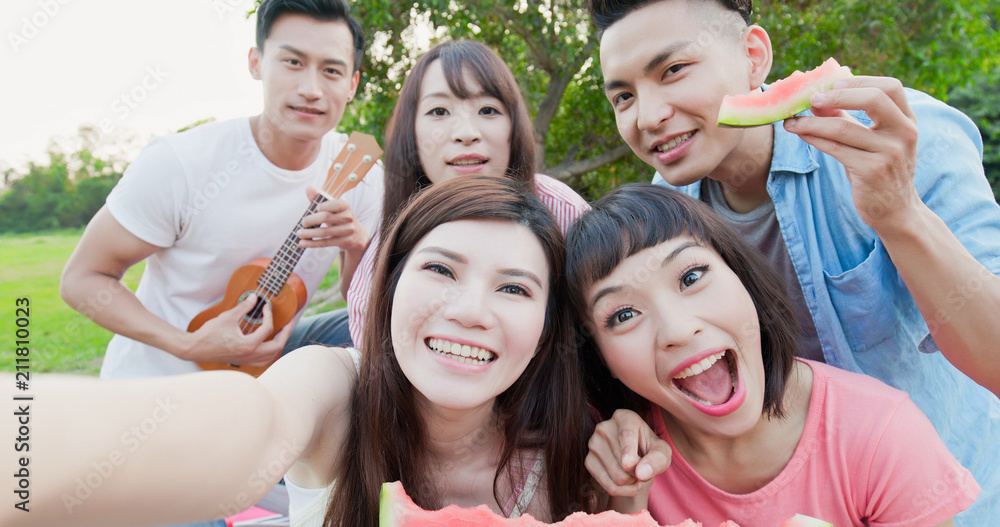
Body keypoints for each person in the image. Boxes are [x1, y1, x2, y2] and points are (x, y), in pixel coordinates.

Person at [588, 0, 1000, 523]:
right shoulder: (672, 211)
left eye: (673, 71)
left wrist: (899, 214)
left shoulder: (895, 138)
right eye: (623, 96)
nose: (648, 117)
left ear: (754, 56)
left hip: (957, 497)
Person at [3, 176, 599, 527]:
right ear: (387, 287)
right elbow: (245, 431)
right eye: (441, 269)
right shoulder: (333, 386)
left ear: (548, 327)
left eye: (515, 288)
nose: (472, 310)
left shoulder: (583, 450)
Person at [566, 183, 980, 526]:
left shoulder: (886, 438)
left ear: (741, 275)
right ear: (603, 360)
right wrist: (627, 507)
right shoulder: (609, 464)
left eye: (691, 277)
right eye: (623, 315)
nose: (677, 329)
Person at [59, 0, 382, 380]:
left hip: (260, 365)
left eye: (331, 70)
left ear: (351, 85)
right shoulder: (180, 164)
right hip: (156, 380)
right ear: (256, 63)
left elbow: (359, 303)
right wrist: (188, 344)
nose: (311, 89)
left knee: (388, 330)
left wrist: (357, 245)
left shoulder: (359, 172)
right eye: (293, 62)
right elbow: (82, 280)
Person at [343, 39, 590, 347]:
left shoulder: (564, 214)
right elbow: (368, 353)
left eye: (488, 110)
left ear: (514, 127)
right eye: (439, 111)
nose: (466, 133)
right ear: (412, 133)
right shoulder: (393, 232)